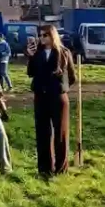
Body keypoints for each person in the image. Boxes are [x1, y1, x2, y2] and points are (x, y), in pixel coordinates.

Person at [26, 23, 77, 178]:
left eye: (44, 35)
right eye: (40, 35)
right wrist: (31, 56)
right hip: (40, 97)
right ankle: (44, 169)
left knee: (60, 134)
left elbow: (72, 77)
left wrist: (61, 88)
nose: (41, 38)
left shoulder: (63, 53)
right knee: (42, 133)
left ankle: (61, 169)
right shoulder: (38, 53)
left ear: (52, 35)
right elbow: (30, 73)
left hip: (58, 97)